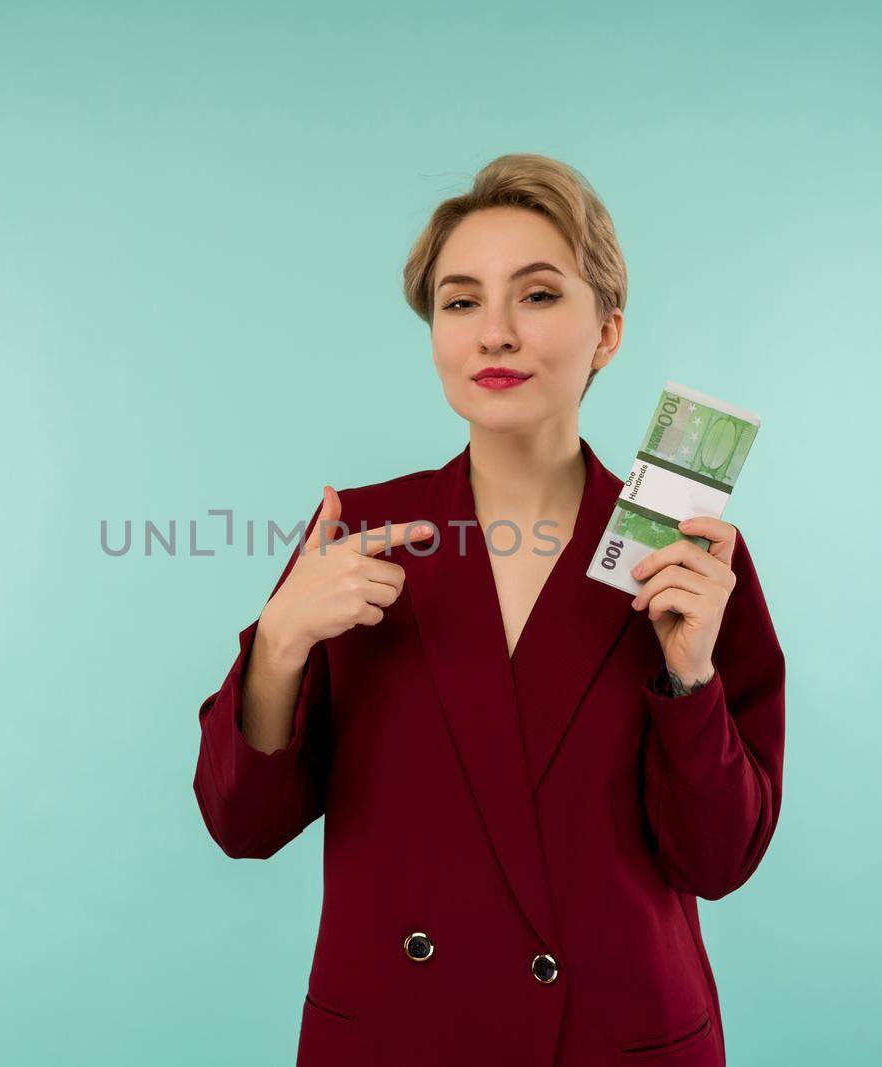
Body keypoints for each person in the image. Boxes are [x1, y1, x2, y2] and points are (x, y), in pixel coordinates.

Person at [191, 152, 786, 1067]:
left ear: (608, 332)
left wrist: (688, 674)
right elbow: (243, 824)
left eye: (539, 296)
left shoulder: (687, 552)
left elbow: (720, 860)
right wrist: (277, 644)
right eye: (461, 301)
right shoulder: (362, 530)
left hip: (613, 1037)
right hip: (397, 1036)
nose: (494, 333)